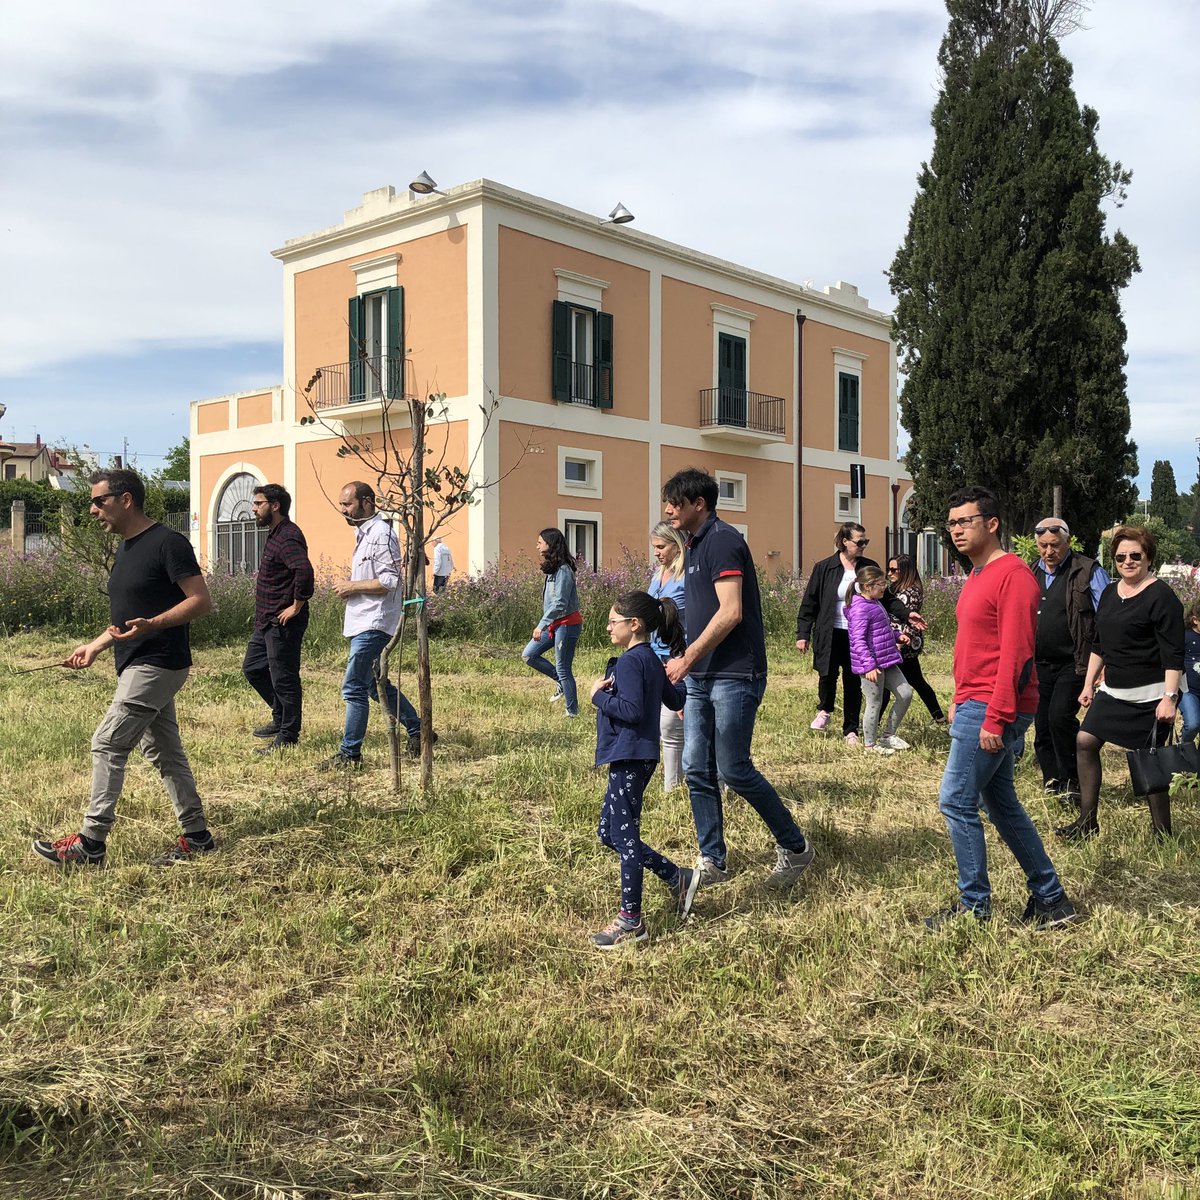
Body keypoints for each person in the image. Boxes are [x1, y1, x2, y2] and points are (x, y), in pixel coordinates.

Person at [33, 469, 216, 867]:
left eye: (99, 501)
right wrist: (95, 646)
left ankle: (90, 844)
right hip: (136, 661)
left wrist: (156, 624)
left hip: (158, 662)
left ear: (126, 500)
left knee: (108, 742)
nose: (93, 509)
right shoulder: (127, 549)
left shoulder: (169, 543)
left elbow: (201, 601)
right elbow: (128, 617)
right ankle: (198, 836)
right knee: (165, 752)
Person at [926, 485, 1077, 929]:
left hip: (994, 704)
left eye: (965, 521)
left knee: (955, 800)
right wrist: (957, 698)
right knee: (1000, 803)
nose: (955, 529)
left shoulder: (1012, 576)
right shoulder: (977, 575)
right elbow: (975, 647)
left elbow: (1016, 654)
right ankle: (1051, 899)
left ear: (991, 524)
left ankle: (974, 907)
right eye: (951, 523)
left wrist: (996, 716)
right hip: (975, 700)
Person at [662, 466, 815, 889]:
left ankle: (797, 847)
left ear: (700, 504)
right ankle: (713, 859)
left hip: (734, 674)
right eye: (667, 502)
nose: (669, 510)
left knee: (734, 768)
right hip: (701, 676)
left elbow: (731, 612)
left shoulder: (723, 541)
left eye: (676, 502)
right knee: (696, 768)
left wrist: (688, 657)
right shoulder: (691, 546)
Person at [1057, 526, 1185, 842]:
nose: (1127, 561)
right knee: (1085, 741)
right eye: (1120, 557)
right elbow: (1099, 643)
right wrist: (1088, 684)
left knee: (1150, 762)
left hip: (1151, 696)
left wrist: (1169, 697)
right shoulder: (1112, 594)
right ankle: (1087, 821)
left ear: (1148, 557)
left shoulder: (1162, 596)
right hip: (1113, 691)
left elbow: (1173, 653)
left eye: (1135, 556)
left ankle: (1162, 834)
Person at [589, 591, 698, 948]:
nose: (608, 628)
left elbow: (632, 711)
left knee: (624, 836)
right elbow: (675, 700)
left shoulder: (631, 661)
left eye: (612, 622)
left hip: (631, 755)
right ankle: (676, 876)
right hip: (639, 755)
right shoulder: (650, 658)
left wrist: (598, 696)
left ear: (634, 625)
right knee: (609, 831)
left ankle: (631, 921)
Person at [321, 481, 430, 769]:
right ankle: (419, 730)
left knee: (353, 687)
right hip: (363, 620)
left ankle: (350, 753)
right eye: (342, 504)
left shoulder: (381, 534)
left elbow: (389, 581)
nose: (342, 509)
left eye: (348, 504)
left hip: (375, 621)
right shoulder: (364, 534)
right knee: (373, 685)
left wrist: (351, 586)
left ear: (367, 503)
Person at [797, 523, 923, 743]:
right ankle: (825, 709)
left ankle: (851, 729)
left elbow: (888, 599)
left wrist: (907, 614)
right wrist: (803, 634)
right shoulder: (824, 567)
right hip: (830, 632)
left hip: (859, 636)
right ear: (844, 541)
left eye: (866, 542)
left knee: (854, 680)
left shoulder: (868, 568)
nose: (863, 545)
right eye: (859, 542)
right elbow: (810, 602)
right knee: (827, 674)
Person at [1030, 518, 1110, 808]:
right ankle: (1053, 780)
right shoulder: (1032, 571)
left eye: (1055, 545)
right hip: (1039, 662)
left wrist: (1105, 663)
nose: (1048, 552)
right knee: (1041, 724)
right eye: (1043, 546)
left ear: (1067, 543)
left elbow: (1106, 616)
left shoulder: (1088, 571)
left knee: (1060, 718)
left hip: (1075, 661)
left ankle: (1074, 780)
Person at [242, 483, 314, 755]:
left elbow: (303, 570)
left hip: (283, 622)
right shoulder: (276, 533)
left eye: (258, 504)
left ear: (275, 506)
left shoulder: (288, 536)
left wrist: (296, 605)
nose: (253, 509)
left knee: (285, 678)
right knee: (253, 668)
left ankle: (288, 735)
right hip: (266, 621)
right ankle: (280, 716)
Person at [846, 564, 913, 754]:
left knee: (905, 693)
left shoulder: (875, 603)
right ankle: (870, 745)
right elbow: (858, 640)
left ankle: (888, 736)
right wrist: (868, 666)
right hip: (871, 665)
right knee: (874, 703)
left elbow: (878, 632)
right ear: (868, 586)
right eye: (881, 584)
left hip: (887, 659)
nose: (885, 587)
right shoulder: (860, 608)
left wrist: (896, 636)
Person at [522, 528, 582, 718]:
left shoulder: (563, 570)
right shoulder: (554, 568)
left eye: (540, 542)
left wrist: (541, 625)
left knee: (564, 668)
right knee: (529, 655)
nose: (537, 545)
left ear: (550, 544)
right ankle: (561, 683)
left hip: (567, 624)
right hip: (554, 624)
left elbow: (560, 603)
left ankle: (572, 712)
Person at [647, 520, 687, 789]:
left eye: (661, 547)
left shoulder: (687, 577)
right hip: (656, 656)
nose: (657, 552)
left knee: (672, 724)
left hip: (679, 657)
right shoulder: (657, 574)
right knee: (667, 726)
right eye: (654, 548)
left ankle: (673, 787)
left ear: (677, 545)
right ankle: (674, 784)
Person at [884, 554, 947, 724]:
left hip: (903, 643)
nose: (889, 573)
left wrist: (900, 642)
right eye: (888, 569)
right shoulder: (895, 589)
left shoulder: (911, 591)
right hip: (900, 642)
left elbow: (910, 621)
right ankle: (939, 716)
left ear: (904, 570)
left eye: (893, 570)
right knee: (916, 680)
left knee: (887, 684)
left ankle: (871, 723)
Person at [1181, 601, 1200, 747]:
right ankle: (1184, 748)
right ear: (1195, 620)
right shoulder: (1185, 637)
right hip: (1188, 690)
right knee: (1193, 724)